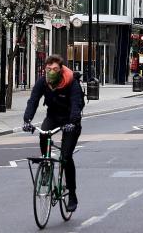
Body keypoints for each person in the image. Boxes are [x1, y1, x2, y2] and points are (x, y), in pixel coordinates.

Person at [23, 55, 83, 212]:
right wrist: (27, 120)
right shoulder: (43, 82)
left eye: (55, 69)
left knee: (66, 157)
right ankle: (46, 165)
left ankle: (73, 196)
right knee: (43, 132)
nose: (51, 72)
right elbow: (33, 100)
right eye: (48, 69)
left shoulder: (71, 82)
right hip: (53, 117)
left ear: (61, 70)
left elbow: (76, 103)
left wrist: (73, 122)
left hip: (70, 120)